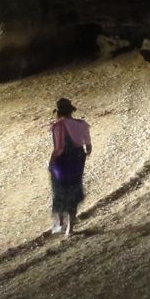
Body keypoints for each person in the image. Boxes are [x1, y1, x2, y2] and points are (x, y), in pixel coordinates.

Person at [48, 97, 92, 237]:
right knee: (74, 190)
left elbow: (58, 148)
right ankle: (70, 228)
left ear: (58, 113)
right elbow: (88, 148)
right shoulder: (82, 124)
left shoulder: (58, 126)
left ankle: (60, 224)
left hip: (63, 160)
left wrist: (51, 162)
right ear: (71, 111)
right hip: (78, 159)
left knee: (59, 189)